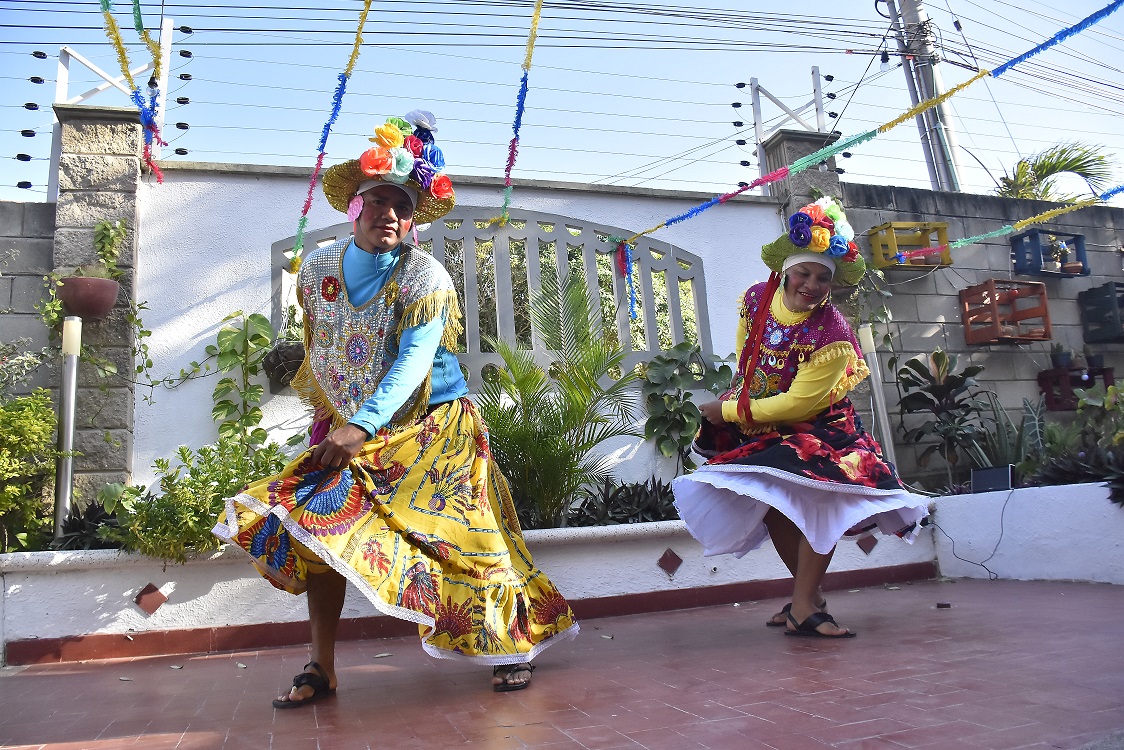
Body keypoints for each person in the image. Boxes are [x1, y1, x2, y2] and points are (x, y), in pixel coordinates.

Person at [213, 111, 578, 707]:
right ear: (355, 207)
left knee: (468, 539)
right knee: (315, 527)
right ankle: (321, 667)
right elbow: (321, 345)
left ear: (413, 218)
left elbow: (413, 360)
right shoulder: (320, 269)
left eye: (402, 205)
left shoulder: (425, 275)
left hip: (434, 425)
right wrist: (338, 418)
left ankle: (510, 647)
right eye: (377, 200)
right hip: (351, 423)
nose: (389, 214)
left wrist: (362, 424)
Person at [672, 197, 928, 639]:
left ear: (832, 283)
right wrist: (740, 403)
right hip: (762, 416)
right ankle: (808, 601)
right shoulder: (756, 298)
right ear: (786, 270)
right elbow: (747, 357)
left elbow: (799, 405)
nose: (811, 284)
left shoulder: (834, 335)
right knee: (774, 503)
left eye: (823, 278)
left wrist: (729, 410)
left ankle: (805, 604)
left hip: (821, 428)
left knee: (818, 503)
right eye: (804, 273)